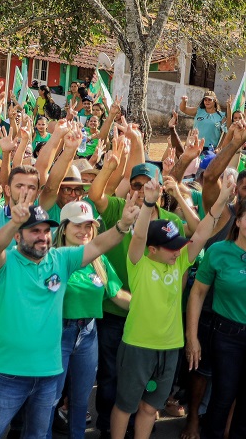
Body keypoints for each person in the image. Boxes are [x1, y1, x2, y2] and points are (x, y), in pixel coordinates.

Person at [0, 189, 135, 439]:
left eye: (45, 231)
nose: (42, 237)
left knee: (39, 435)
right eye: (34, 231)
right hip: (9, 373)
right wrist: (14, 222)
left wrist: (123, 225)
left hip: (48, 373)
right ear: (18, 236)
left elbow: (96, 244)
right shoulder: (5, 264)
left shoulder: (60, 259)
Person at [110, 177, 220, 439]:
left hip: (170, 347)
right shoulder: (139, 263)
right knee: (126, 406)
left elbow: (203, 231)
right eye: (170, 248)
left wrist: (224, 197)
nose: (177, 253)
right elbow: (138, 234)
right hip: (138, 345)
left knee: (150, 408)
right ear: (152, 249)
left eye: (178, 247)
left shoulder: (179, 260)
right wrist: (148, 202)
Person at [47, 201, 130, 439]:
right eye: (78, 225)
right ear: (63, 228)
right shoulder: (51, 258)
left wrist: (147, 308)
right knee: (49, 399)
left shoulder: (98, 260)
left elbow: (116, 294)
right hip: (56, 333)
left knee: (80, 400)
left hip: (88, 334)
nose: (85, 231)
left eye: (89, 226)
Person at [186, 197, 246, 439]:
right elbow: (198, 292)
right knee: (222, 397)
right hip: (225, 335)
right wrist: (192, 336)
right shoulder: (218, 251)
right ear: (239, 221)